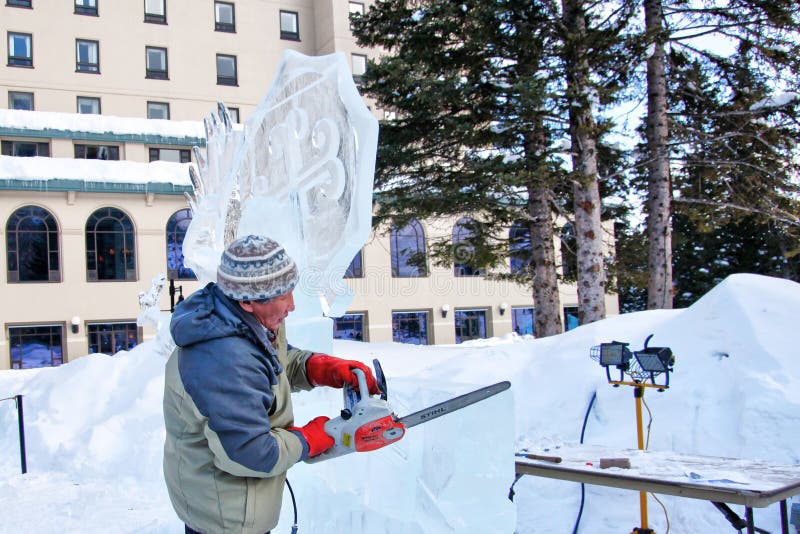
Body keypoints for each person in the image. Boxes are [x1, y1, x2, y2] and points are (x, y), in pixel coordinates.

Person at [163, 234, 380, 534]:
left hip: (238, 502)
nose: (291, 305)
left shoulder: (240, 319)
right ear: (248, 300)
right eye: (283, 296)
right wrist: (310, 439)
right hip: (226, 517)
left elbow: (270, 362)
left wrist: (319, 367)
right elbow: (250, 452)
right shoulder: (222, 360)